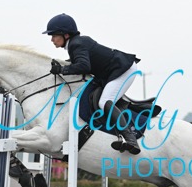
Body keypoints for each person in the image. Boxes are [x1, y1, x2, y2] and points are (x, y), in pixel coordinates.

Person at [42, 13, 141, 155]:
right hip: (112, 71)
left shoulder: (76, 44)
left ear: (66, 35)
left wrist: (62, 70)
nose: (52, 39)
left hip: (123, 69)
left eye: (54, 35)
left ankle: (130, 139)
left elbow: (84, 66)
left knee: (104, 101)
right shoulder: (76, 44)